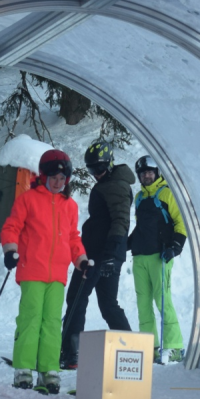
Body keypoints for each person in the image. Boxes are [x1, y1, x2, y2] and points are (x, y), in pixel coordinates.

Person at [0, 148, 89, 394]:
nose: (58, 183)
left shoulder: (70, 206)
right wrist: (10, 250)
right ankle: (23, 368)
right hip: (32, 270)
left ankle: (49, 370)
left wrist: (81, 260)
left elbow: (73, 238)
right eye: (54, 178)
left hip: (57, 274)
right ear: (43, 176)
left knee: (51, 322)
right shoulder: (28, 199)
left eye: (62, 179)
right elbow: (11, 227)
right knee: (31, 319)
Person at [59, 140, 135, 369]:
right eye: (92, 169)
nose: (96, 174)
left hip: (99, 253)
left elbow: (121, 219)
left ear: (109, 164)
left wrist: (111, 252)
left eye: (99, 168)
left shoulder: (115, 186)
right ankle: (131, 352)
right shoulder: (111, 183)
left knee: (77, 296)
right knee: (108, 303)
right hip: (106, 252)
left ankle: (71, 353)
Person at [128, 155, 188, 365]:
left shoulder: (167, 194)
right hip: (140, 257)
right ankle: (150, 346)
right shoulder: (139, 198)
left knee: (163, 300)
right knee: (143, 303)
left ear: (157, 173)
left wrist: (175, 247)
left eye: (150, 172)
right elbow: (141, 227)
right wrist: (125, 244)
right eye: (143, 173)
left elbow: (181, 222)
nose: (147, 176)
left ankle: (175, 347)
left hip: (160, 256)